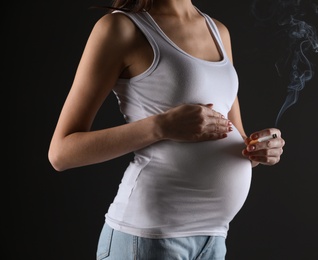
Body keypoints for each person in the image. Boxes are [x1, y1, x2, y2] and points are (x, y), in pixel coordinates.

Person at [48, 0, 285, 259]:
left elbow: (236, 137)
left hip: (214, 240)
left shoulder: (218, 31)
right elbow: (61, 153)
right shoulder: (120, 28)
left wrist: (259, 150)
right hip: (148, 239)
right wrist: (161, 126)